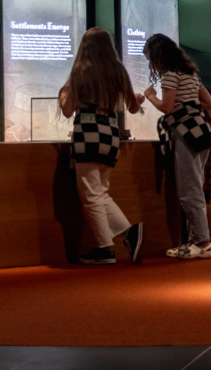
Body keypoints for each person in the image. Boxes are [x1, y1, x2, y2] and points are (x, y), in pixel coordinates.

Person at [59, 27, 145, 265]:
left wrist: (62, 94)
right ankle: (128, 233)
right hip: (110, 132)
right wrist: (138, 99)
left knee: (90, 193)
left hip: (87, 130)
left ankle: (105, 248)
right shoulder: (118, 70)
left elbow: (67, 110)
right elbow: (132, 107)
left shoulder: (80, 71)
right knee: (100, 192)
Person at [139, 33, 211, 260]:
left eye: (149, 59)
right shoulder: (192, 75)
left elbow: (167, 108)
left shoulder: (170, 76)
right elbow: (208, 104)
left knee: (188, 190)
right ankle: (195, 240)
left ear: (158, 57)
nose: (150, 64)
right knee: (195, 186)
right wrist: (190, 105)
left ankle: (202, 242)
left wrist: (151, 96)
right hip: (202, 131)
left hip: (185, 134)